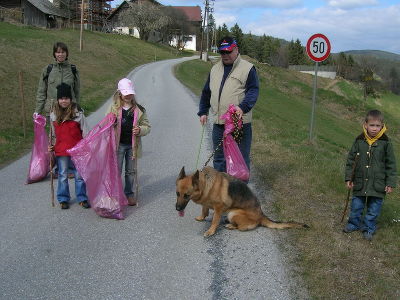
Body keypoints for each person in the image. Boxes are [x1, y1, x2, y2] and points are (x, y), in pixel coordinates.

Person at [198, 36, 259, 179]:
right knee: (219, 160)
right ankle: (222, 193)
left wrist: (243, 107)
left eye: (228, 51)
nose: (225, 55)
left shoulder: (248, 68)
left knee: (240, 160)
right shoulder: (215, 69)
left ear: (236, 49)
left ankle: (240, 196)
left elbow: (253, 91)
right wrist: (203, 111)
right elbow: (207, 92)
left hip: (240, 125)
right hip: (219, 125)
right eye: (222, 52)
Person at [343, 110, 397, 241]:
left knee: (373, 209)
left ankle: (369, 228)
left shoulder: (386, 143)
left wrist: (390, 183)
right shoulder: (359, 140)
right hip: (360, 182)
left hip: (378, 184)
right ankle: (353, 224)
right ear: (365, 125)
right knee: (356, 206)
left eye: (378, 126)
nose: (374, 129)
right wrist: (349, 178)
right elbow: (351, 161)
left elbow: (391, 164)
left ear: (382, 126)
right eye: (372, 125)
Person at [107, 78, 151, 206]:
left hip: (132, 146)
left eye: (130, 93)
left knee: (131, 171)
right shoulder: (114, 108)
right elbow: (105, 124)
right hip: (118, 145)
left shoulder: (139, 110)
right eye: (125, 93)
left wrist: (140, 129)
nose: (128, 95)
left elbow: (147, 126)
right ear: (120, 93)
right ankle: (115, 194)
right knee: (117, 170)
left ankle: (129, 193)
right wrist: (112, 123)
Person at [49, 83, 90, 210]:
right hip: (61, 151)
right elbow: (52, 134)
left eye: (66, 98)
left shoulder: (78, 114)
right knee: (62, 174)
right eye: (61, 98)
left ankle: (82, 198)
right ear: (58, 100)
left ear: (70, 99)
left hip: (77, 150)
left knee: (79, 175)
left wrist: (87, 145)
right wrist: (51, 144)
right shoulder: (53, 116)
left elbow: (86, 132)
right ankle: (63, 198)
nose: (64, 101)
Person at [35, 42, 80, 116]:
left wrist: (77, 108)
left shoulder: (73, 70)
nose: (60, 54)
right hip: (52, 111)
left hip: (70, 111)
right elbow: (41, 92)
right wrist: (37, 111)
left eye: (63, 52)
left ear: (66, 53)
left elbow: (77, 92)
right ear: (54, 54)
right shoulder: (47, 70)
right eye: (58, 52)